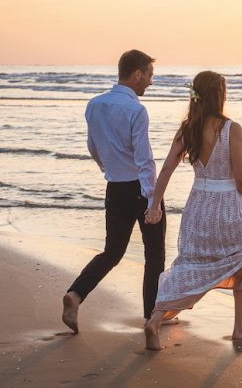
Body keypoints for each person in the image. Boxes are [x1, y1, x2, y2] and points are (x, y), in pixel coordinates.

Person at [143, 70, 242, 350]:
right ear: (220, 95)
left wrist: (154, 205)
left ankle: (156, 319)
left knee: (187, 263)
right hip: (228, 206)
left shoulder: (188, 129)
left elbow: (167, 169)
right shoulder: (231, 128)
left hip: (198, 207)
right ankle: (239, 327)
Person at [62, 49, 166, 334]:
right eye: (149, 75)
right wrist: (152, 201)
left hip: (115, 187)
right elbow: (144, 158)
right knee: (154, 254)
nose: (150, 82)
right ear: (136, 74)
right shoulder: (136, 110)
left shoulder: (94, 105)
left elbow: (93, 147)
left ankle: (75, 295)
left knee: (112, 252)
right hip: (141, 189)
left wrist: (111, 172)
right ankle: (151, 319)